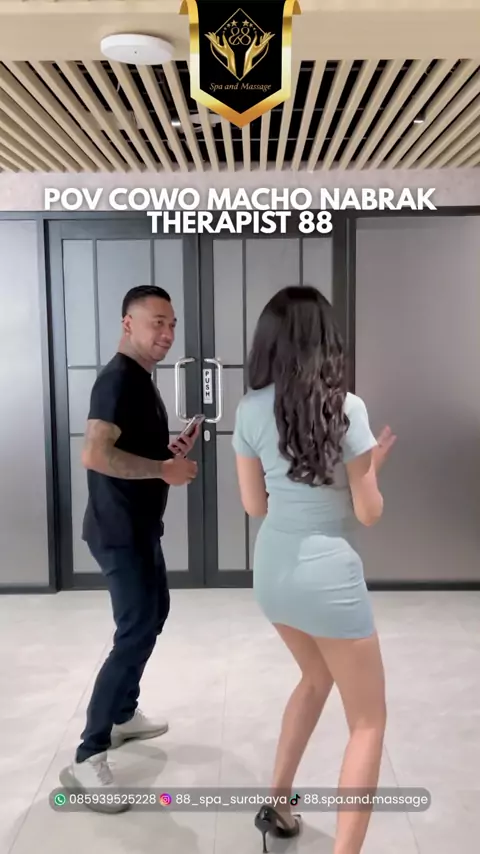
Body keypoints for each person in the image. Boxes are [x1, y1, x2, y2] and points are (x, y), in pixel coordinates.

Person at [232, 286, 396, 854]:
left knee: (315, 677)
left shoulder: (249, 409)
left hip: (273, 573)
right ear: (327, 341)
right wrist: (368, 469)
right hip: (328, 579)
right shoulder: (347, 408)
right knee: (368, 722)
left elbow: (254, 505)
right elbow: (368, 512)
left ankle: (278, 803)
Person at [60, 285, 199, 812]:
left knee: (154, 612)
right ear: (128, 324)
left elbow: (126, 447)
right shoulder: (117, 378)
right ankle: (88, 754)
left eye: (172, 324)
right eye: (157, 322)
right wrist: (163, 468)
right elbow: (95, 455)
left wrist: (166, 452)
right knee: (135, 628)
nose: (167, 334)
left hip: (140, 526)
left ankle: (123, 715)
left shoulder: (142, 379)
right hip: (118, 531)